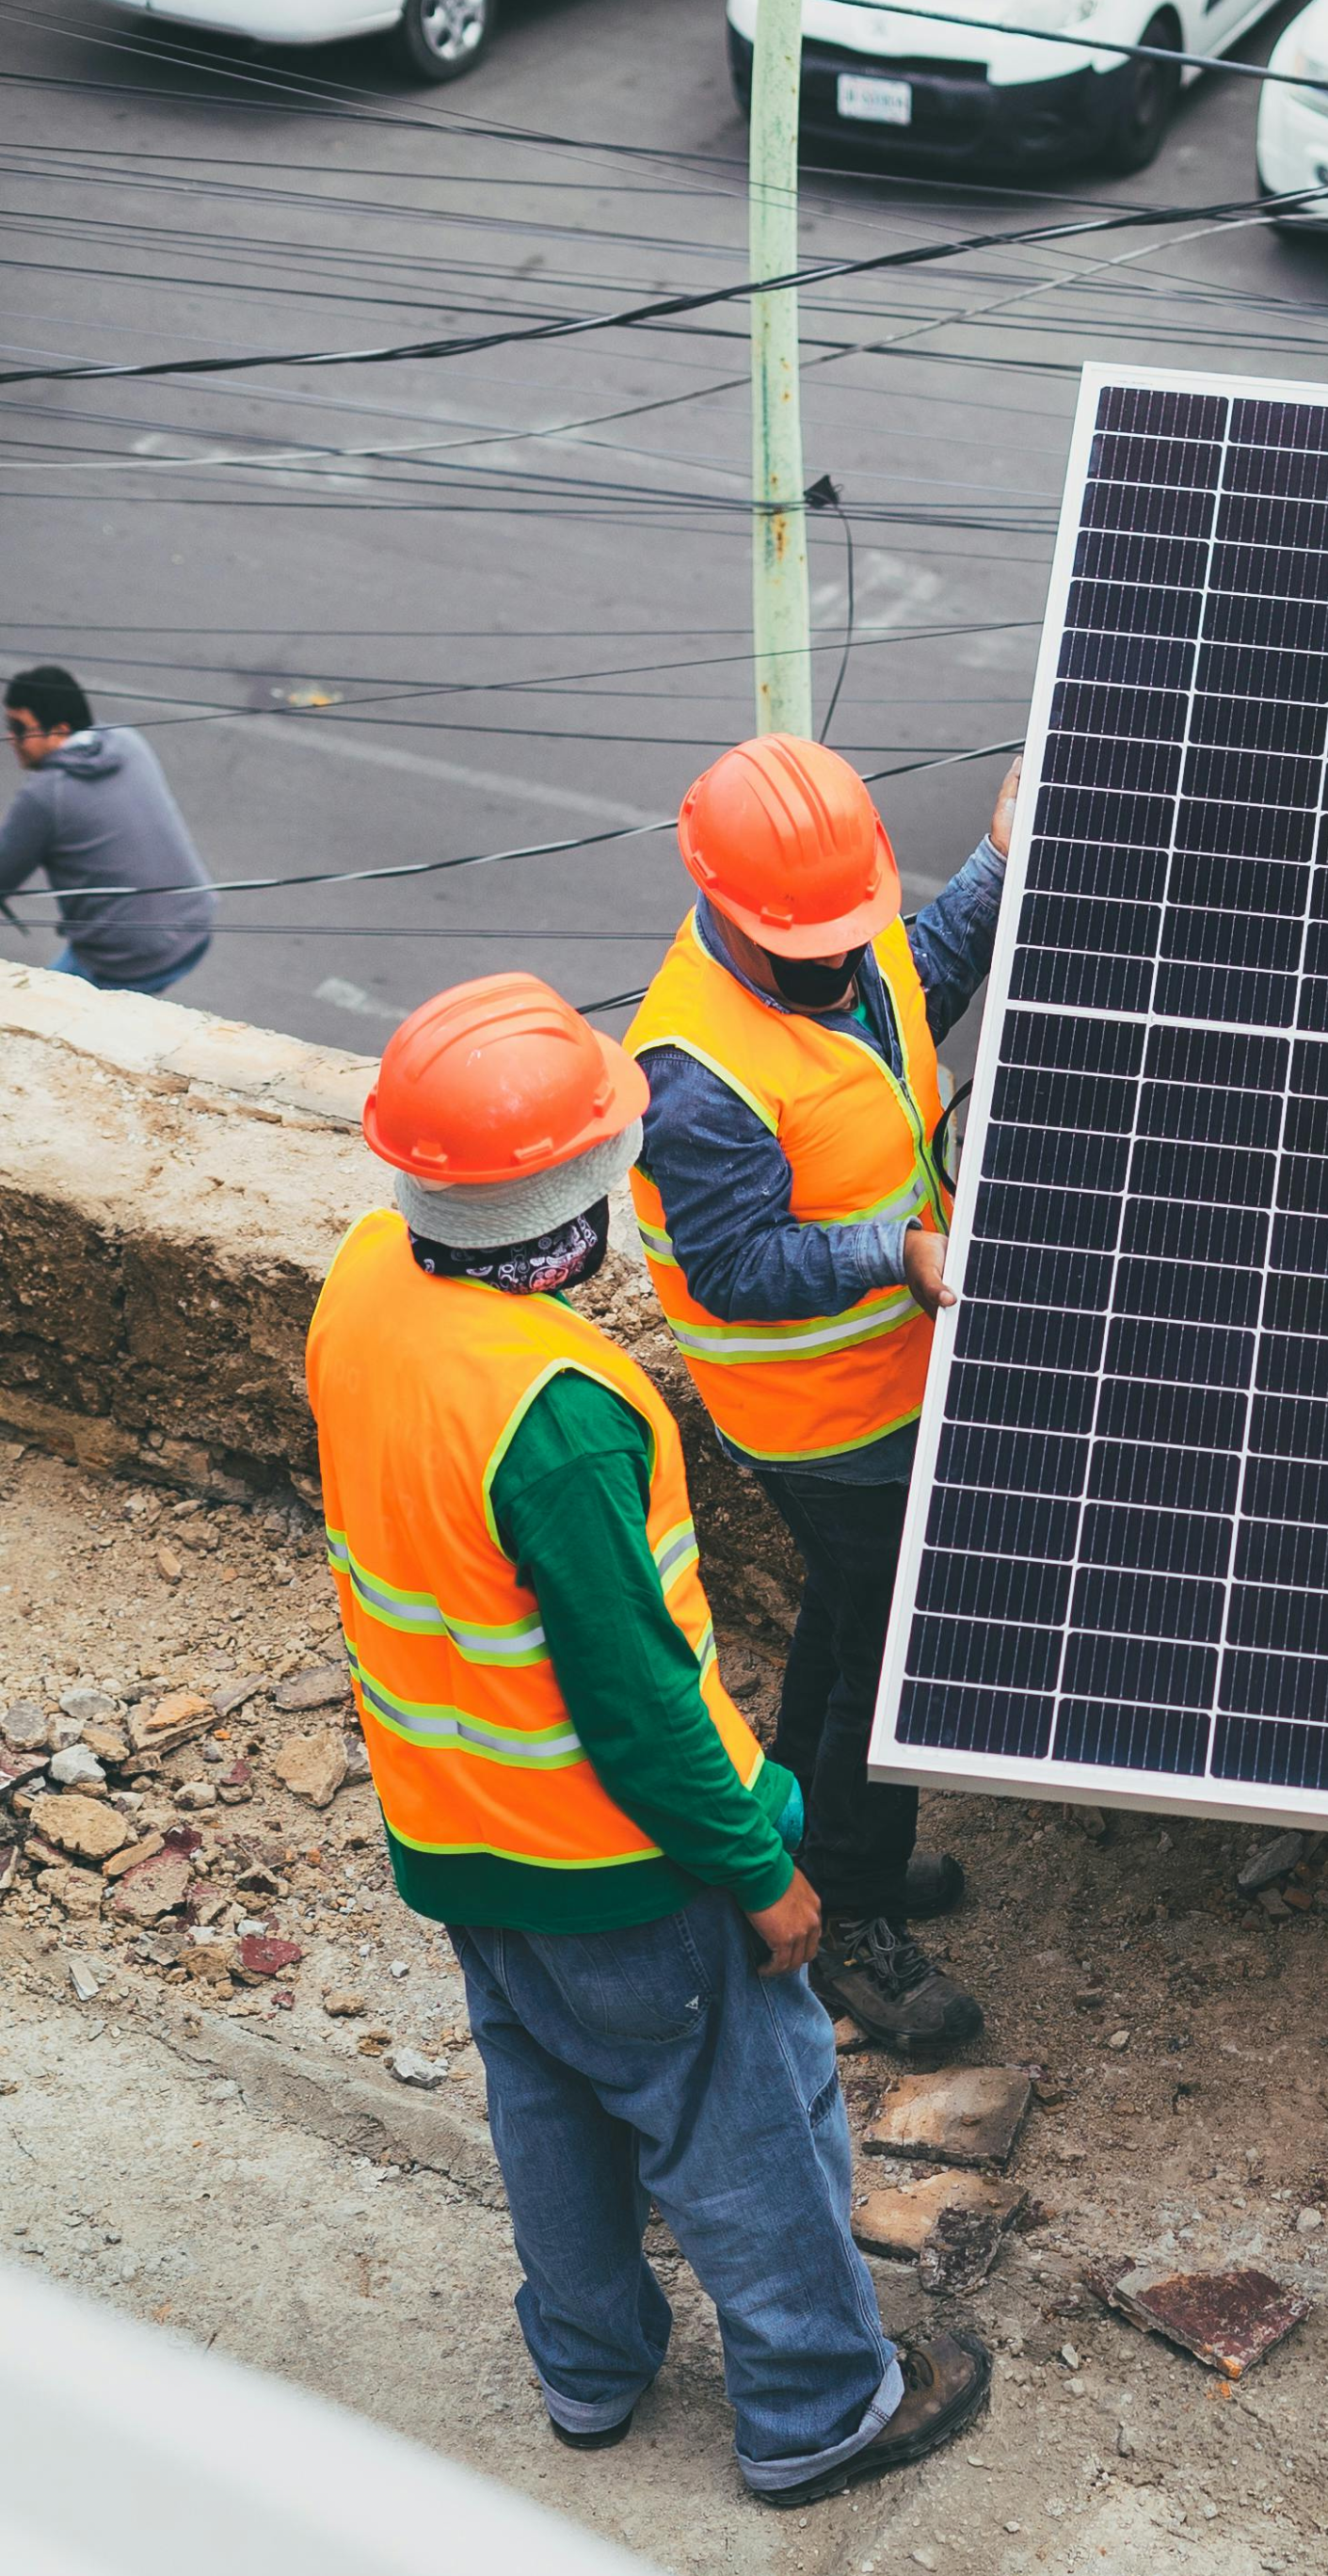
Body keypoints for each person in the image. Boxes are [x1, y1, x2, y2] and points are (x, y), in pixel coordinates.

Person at [305, 972, 990, 2501]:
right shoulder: (560, 1408)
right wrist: (763, 1873)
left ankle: (590, 2370)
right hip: (621, 1871)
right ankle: (820, 2404)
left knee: (550, 2103)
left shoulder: (360, 1283)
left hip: (456, 1837)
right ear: (577, 1196)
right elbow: (636, 1703)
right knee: (751, 2126)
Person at [627, 735, 1017, 2056]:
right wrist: (892, 1255)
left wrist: (995, 866)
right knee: (878, 1653)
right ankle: (841, 1906)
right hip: (823, 1422)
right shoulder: (696, 1070)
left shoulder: (844, 958)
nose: (847, 952)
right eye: (820, 935)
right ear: (734, 913)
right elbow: (735, 1267)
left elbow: (922, 982)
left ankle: (816, 1839)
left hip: (898, 1378)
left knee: (854, 1637)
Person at [1, 667, 216, 994]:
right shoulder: (126, 741)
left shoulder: (46, 795)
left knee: (32, 1010)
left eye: (20, 728)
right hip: (195, 926)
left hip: (130, 962)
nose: (12, 739)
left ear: (59, 730)